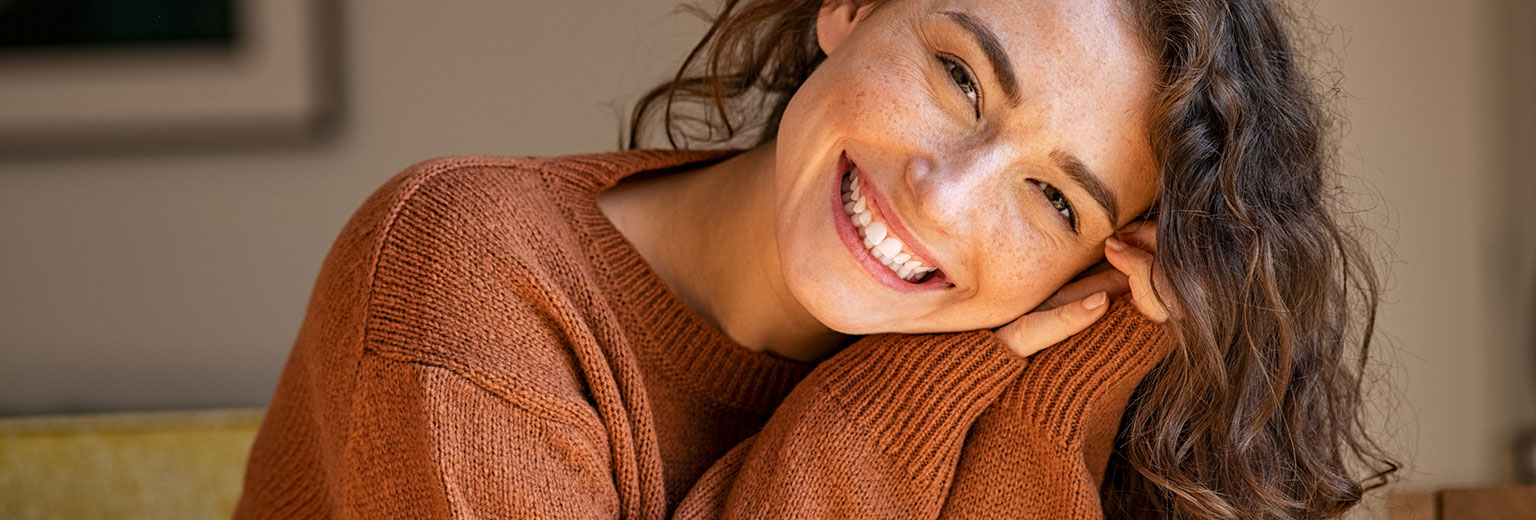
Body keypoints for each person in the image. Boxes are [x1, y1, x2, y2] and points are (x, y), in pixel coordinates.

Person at [235, 0, 1396, 518]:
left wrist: (1057, 392)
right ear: (854, 5)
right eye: (958, 76)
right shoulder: (470, 264)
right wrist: (889, 410)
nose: (943, 196)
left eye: (1050, 198)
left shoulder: (1008, 386)